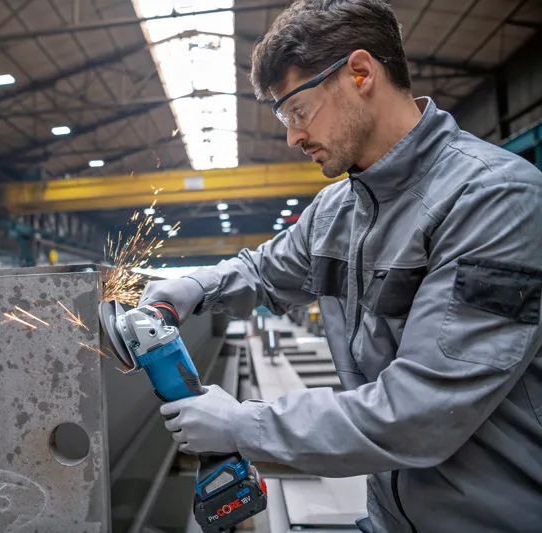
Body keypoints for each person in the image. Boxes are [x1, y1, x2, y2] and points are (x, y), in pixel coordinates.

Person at [138, 1, 542, 532]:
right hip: (391, 518)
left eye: (297, 111)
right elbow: (262, 271)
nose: (292, 137)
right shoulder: (339, 210)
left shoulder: (492, 199)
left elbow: (419, 413)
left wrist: (243, 425)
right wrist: (189, 285)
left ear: (360, 73)